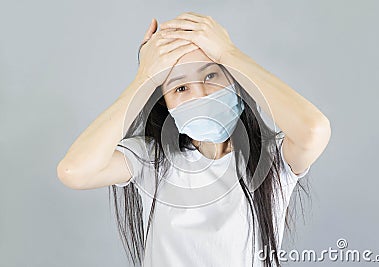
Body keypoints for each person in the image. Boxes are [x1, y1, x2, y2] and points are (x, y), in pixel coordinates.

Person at [57, 12, 331, 267]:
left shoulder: (270, 159)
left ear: (234, 79)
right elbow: (74, 171)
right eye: (180, 87)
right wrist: (145, 78)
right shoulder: (151, 159)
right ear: (165, 104)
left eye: (211, 75)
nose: (200, 94)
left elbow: (314, 131)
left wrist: (228, 52)